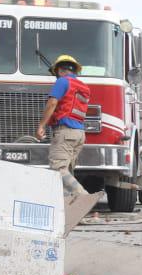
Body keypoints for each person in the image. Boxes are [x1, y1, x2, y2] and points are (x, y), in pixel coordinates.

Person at [34, 54, 96, 215]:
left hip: (65, 132)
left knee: (58, 169)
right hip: (79, 134)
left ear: (59, 70)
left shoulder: (62, 81)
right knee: (67, 171)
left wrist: (42, 125)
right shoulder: (83, 87)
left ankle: (84, 201)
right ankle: (69, 210)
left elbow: (53, 102)